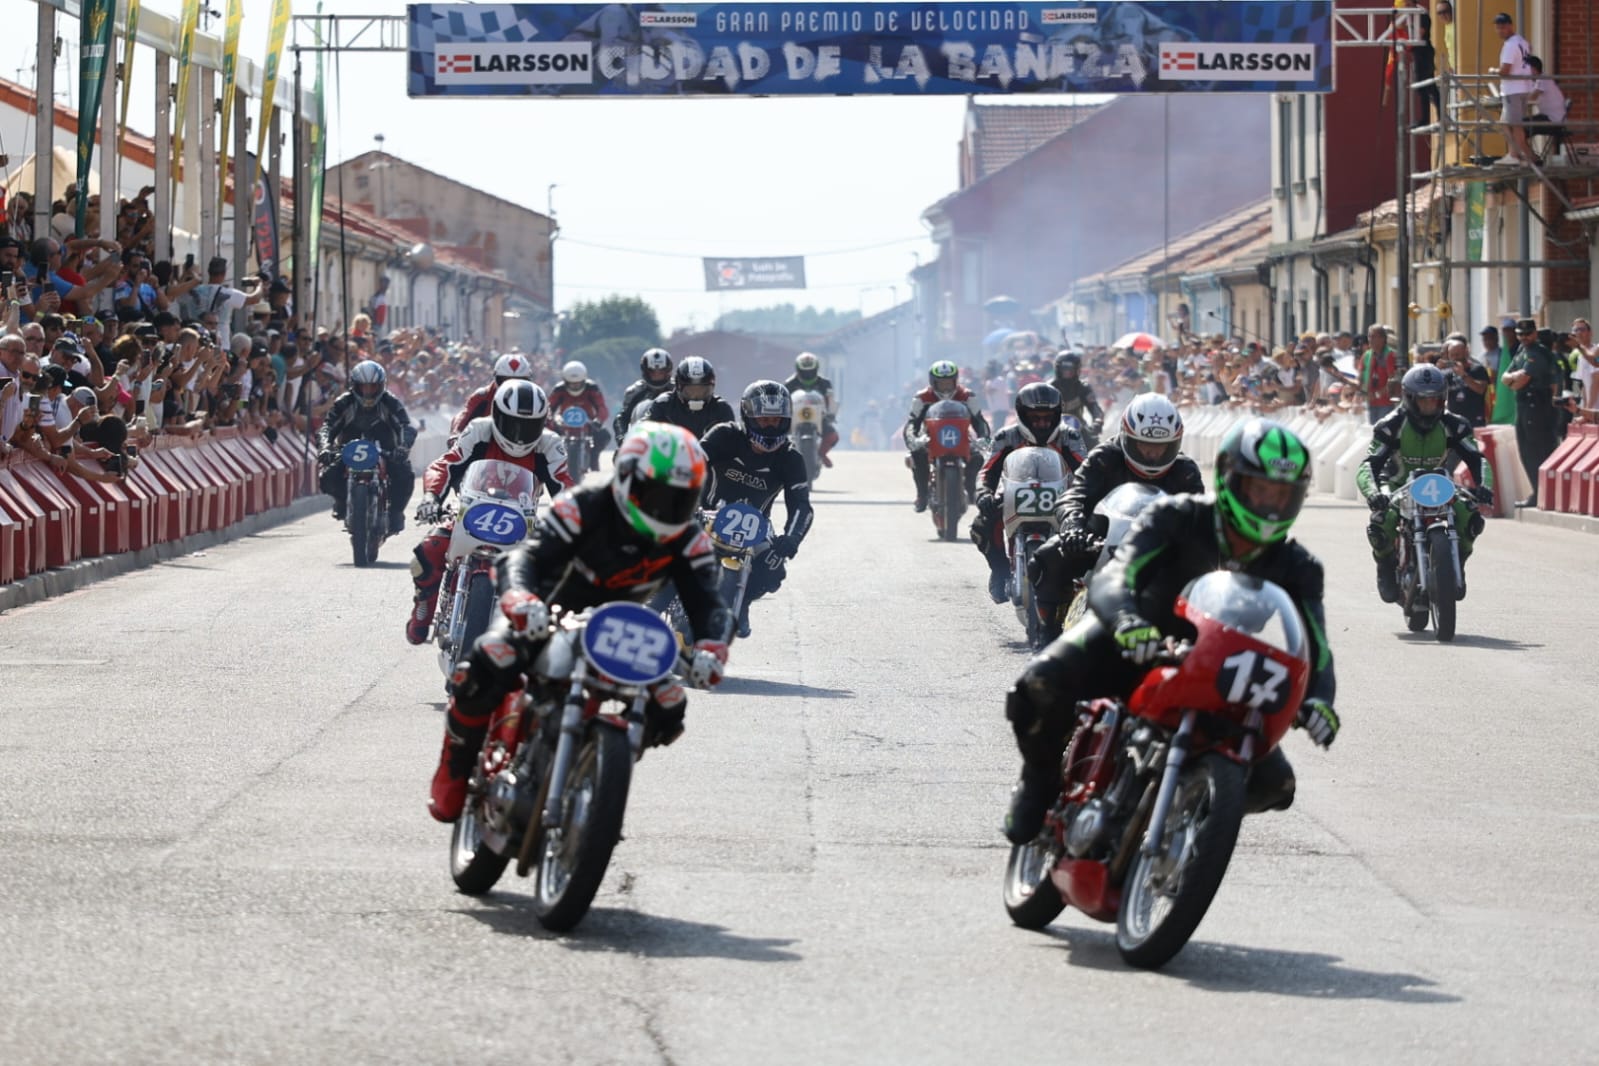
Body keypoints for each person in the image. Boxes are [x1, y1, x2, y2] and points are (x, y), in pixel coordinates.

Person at [1003, 419, 1339, 844]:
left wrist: (1320, 701)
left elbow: (1318, 649)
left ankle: (1190, 808)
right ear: (1232, 479)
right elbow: (1116, 576)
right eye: (1260, 491)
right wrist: (1126, 621)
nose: (1269, 506)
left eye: (1282, 496)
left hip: (1216, 666)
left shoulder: (1300, 566)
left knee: (1276, 786)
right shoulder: (1175, 515)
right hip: (1132, 637)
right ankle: (1039, 782)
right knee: (1038, 684)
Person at [426, 423, 734, 823]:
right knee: (488, 660)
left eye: (679, 499)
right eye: (656, 494)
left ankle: (596, 764)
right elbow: (526, 556)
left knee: (671, 706)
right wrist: (521, 596)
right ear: (625, 478)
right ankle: (454, 768)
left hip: (618, 625)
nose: (664, 508)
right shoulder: (584, 503)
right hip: (547, 608)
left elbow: (710, 603)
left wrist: (713, 646)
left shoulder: (689, 540)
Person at [1026, 393, 1205, 645]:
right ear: (1126, 437)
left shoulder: (1185, 472)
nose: (1152, 453)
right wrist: (1074, 528)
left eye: (1160, 446)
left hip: (1162, 552)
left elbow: (1201, 520)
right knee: (1046, 559)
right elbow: (1074, 496)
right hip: (1098, 541)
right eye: (1144, 444)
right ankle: (1047, 634)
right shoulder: (1104, 458)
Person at [405, 381, 574, 644]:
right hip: (469, 510)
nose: (519, 434)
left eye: (528, 426)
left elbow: (565, 486)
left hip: (523, 520)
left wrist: (575, 521)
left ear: (542, 422)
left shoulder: (550, 444)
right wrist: (431, 496)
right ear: (496, 415)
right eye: (512, 423)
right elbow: (445, 464)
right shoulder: (479, 430)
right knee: (430, 549)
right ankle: (423, 609)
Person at [1358, 365, 1494, 602]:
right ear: (1410, 398)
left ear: (1443, 400)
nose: (1429, 407)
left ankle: (1457, 561)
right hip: (1396, 484)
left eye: (1435, 401)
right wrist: (1373, 493)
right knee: (1381, 522)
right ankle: (1385, 566)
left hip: (1438, 484)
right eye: (1423, 401)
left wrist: (1484, 487)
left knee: (1471, 516)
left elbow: (1477, 458)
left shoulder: (1456, 425)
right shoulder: (1390, 426)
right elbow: (1369, 464)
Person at [699, 381, 815, 638]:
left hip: (756, 525)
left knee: (774, 568)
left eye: (776, 420)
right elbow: (691, 460)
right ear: (748, 416)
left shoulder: (791, 458)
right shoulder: (723, 435)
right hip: (705, 513)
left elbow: (802, 505)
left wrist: (792, 539)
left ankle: (743, 603)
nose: (770, 427)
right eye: (763, 420)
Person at [970, 383, 1085, 604]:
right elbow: (988, 470)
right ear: (1023, 415)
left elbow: (1085, 470)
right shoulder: (1006, 436)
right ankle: (1000, 570)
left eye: (1047, 417)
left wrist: (1085, 498)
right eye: (1035, 417)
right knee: (981, 526)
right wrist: (983, 493)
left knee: (1089, 527)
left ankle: (1078, 576)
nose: (1042, 423)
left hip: (1062, 498)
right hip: (1013, 495)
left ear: (1057, 415)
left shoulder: (1069, 436)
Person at [316, 359, 416, 533]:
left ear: (381, 386)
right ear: (355, 386)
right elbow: (328, 427)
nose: (368, 392)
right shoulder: (344, 402)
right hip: (348, 452)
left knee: (405, 475)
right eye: (364, 387)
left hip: (386, 450)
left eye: (373, 387)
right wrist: (325, 447)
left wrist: (403, 447)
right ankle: (342, 502)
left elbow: (406, 426)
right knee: (327, 476)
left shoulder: (391, 402)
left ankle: (395, 513)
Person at [904, 360, 990, 513]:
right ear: (933, 382)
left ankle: (970, 489)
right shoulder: (922, 397)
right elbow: (912, 423)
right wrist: (913, 439)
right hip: (930, 438)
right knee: (916, 456)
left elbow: (979, 420)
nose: (945, 386)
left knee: (977, 457)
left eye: (949, 382)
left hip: (962, 437)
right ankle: (922, 494)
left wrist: (983, 438)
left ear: (955, 381)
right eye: (941, 383)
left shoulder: (967, 395)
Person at [1501, 316, 1558, 506]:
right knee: (1526, 451)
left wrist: (1514, 379)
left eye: (1527, 334)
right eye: (1520, 334)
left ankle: (1543, 494)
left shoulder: (1536, 352)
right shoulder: (1521, 351)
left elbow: (1520, 383)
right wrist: (1513, 377)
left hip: (1537, 407)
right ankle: (1537, 492)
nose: (1524, 337)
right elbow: (1504, 378)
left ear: (1535, 333)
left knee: (1537, 451)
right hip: (1525, 406)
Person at [637, 355, 736, 440]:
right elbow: (643, 431)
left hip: (711, 460)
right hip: (669, 459)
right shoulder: (663, 405)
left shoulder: (722, 409)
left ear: (712, 387)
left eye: (702, 390)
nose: (696, 396)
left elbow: (732, 443)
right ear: (679, 386)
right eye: (691, 391)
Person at [448, 351, 536, 437]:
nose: (512, 386)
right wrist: (456, 433)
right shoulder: (482, 396)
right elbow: (463, 415)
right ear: (495, 378)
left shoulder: (536, 398)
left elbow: (547, 424)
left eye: (519, 381)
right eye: (506, 380)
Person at [547, 359, 612, 470]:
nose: (575, 387)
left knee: (604, 435)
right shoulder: (559, 389)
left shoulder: (592, 388)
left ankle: (594, 458)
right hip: (563, 423)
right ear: (565, 381)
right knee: (547, 438)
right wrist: (551, 422)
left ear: (584, 380)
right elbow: (549, 408)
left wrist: (598, 420)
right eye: (571, 384)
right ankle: (551, 463)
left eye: (578, 383)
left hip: (588, 423)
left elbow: (602, 407)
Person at [783, 352, 840, 467]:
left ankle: (822, 454)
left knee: (833, 436)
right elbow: (784, 401)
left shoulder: (825, 383)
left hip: (819, 416)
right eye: (804, 372)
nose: (807, 374)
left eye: (810, 371)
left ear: (816, 369)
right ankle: (782, 459)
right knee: (778, 435)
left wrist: (831, 414)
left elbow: (830, 399)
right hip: (795, 416)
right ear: (798, 370)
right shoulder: (789, 383)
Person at [1494, 12, 1535, 165]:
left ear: (1511, 26)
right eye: (1498, 28)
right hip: (1523, 88)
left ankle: (1522, 155)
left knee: (1515, 125)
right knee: (1506, 123)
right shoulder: (1523, 42)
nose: (1500, 31)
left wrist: (1493, 71)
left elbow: (1505, 70)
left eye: (1503, 27)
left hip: (1513, 90)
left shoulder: (1511, 45)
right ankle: (1516, 154)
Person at [614, 347, 674, 447]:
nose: (657, 376)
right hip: (643, 439)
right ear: (645, 372)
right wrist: (622, 438)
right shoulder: (634, 392)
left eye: (661, 372)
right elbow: (622, 417)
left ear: (668, 371)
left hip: (674, 439)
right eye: (653, 373)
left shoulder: (678, 389)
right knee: (619, 456)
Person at [1048, 352, 1104, 440]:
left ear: (1077, 370)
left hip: (1079, 429)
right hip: (1051, 430)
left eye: (1070, 370)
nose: (1067, 373)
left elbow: (1094, 407)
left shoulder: (1083, 387)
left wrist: (1097, 421)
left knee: (1096, 448)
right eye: (1064, 370)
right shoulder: (1048, 388)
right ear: (1058, 369)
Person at [1443, 334, 1490, 427]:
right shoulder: (1448, 373)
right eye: (1452, 355)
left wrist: (1463, 375)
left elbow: (1481, 389)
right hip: (1454, 420)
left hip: (1474, 420)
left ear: (1465, 352)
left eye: (1457, 354)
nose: (1455, 358)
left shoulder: (1477, 369)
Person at [1360, 324, 1400, 423]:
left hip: (1386, 403)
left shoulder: (1390, 355)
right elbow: (1360, 377)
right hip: (1371, 403)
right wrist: (1362, 391)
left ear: (1382, 338)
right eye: (1369, 336)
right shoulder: (1366, 355)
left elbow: (1392, 381)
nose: (1370, 340)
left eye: (1373, 336)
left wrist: (1377, 394)